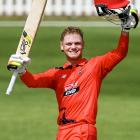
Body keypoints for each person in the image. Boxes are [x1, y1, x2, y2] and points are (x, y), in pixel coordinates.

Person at [7, 6, 138, 140]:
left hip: (82, 129)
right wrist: (22, 70)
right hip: (63, 131)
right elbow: (33, 81)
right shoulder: (56, 74)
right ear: (61, 47)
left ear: (83, 45)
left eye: (77, 43)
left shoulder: (95, 66)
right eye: (69, 44)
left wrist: (125, 29)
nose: (73, 47)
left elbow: (119, 53)